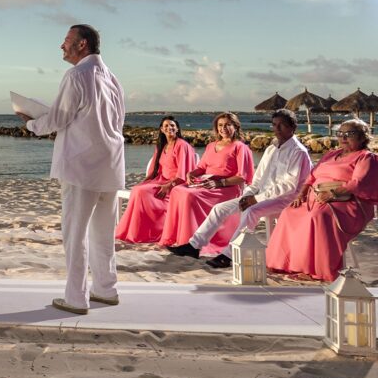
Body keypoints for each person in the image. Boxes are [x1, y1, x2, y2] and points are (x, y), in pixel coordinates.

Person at [16, 24, 125, 315]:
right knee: (103, 233)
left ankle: (76, 298)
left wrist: (30, 123)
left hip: (81, 166)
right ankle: (106, 289)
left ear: (82, 45)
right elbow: (117, 123)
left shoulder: (76, 75)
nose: (61, 46)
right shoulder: (113, 79)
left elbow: (59, 118)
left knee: (75, 234)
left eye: (66, 41)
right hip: (110, 165)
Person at [168, 109, 311, 268]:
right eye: (274, 125)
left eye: (281, 126)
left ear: (293, 127)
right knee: (219, 208)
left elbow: (289, 186)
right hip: (261, 196)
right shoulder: (271, 149)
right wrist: (248, 195)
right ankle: (193, 246)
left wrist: (255, 199)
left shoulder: (299, 152)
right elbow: (257, 179)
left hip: (286, 199)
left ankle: (228, 255)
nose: (276, 129)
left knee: (251, 211)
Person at [267, 119, 378, 281]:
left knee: (317, 217)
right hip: (317, 196)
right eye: (340, 133)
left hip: (348, 202)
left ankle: (312, 269)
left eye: (350, 134)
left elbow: (358, 183)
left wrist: (333, 194)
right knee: (289, 213)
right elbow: (311, 177)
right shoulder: (332, 154)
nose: (343, 137)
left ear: (363, 137)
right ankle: (285, 264)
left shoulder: (366, 157)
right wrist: (301, 195)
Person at [157, 112, 255, 249]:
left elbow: (242, 177)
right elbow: (202, 168)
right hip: (207, 183)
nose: (223, 128)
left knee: (189, 195)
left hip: (227, 188)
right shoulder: (211, 145)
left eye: (228, 125)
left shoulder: (240, 147)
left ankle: (190, 242)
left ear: (236, 126)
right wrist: (191, 173)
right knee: (177, 190)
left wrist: (219, 183)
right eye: (220, 125)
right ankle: (175, 237)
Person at [114, 116, 197, 243]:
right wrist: (144, 182)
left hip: (175, 184)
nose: (170, 128)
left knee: (142, 192)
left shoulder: (182, 145)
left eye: (172, 126)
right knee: (137, 189)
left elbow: (183, 174)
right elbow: (154, 170)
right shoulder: (161, 146)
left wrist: (169, 186)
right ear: (161, 130)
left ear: (177, 128)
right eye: (166, 126)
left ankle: (148, 232)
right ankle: (133, 231)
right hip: (160, 180)